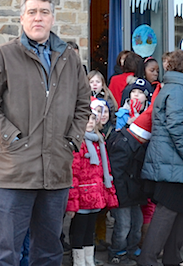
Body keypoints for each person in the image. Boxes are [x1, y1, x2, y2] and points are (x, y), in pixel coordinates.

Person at [0, 0, 90, 266]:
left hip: (56, 171)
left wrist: (70, 141)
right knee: (4, 253)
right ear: (22, 18)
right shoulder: (2, 56)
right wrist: (11, 139)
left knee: (49, 252)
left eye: (44, 12)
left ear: (52, 18)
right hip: (13, 171)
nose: (39, 18)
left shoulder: (69, 58)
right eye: (32, 12)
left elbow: (83, 105)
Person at [137, 49, 183, 266]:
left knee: (181, 209)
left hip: (177, 161)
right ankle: (147, 260)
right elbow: (177, 127)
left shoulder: (181, 88)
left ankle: (172, 257)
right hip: (176, 161)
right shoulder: (179, 90)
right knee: (168, 210)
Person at [67, 99, 118, 266]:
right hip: (82, 195)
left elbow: (105, 169)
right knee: (79, 230)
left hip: (95, 195)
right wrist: (72, 202)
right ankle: (79, 261)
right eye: (86, 119)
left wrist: (107, 191)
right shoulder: (78, 143)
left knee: (90, 230)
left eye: (92, 119)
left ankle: (89, 260)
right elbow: (73, 174)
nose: (89, 123)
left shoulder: (99, 141)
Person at [105, 108, 151, 265]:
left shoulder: (132, 144)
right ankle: (117, 251)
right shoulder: (124, 145)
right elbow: (117, 174)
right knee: (123, 225)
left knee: (136, 224)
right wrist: (121, 196)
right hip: (123, 193)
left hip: (133, 192)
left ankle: (131, 249)